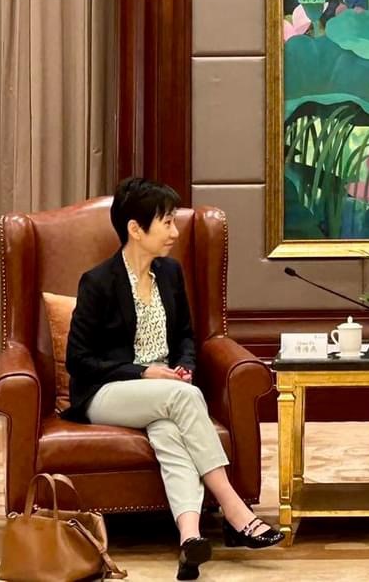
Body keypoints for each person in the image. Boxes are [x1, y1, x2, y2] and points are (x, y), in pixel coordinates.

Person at [65, 177, 283, 580]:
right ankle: (235, 509)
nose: (175, 232)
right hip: (106, 393)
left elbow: (185, 335)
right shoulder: (98, 282)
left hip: (163, 393)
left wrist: (184, 367)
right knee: (183, 399)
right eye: (166, 222)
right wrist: (144, 372)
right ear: (135, 228)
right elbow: (78, 361)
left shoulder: (169, 273)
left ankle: (189, 538)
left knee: (169, 434)